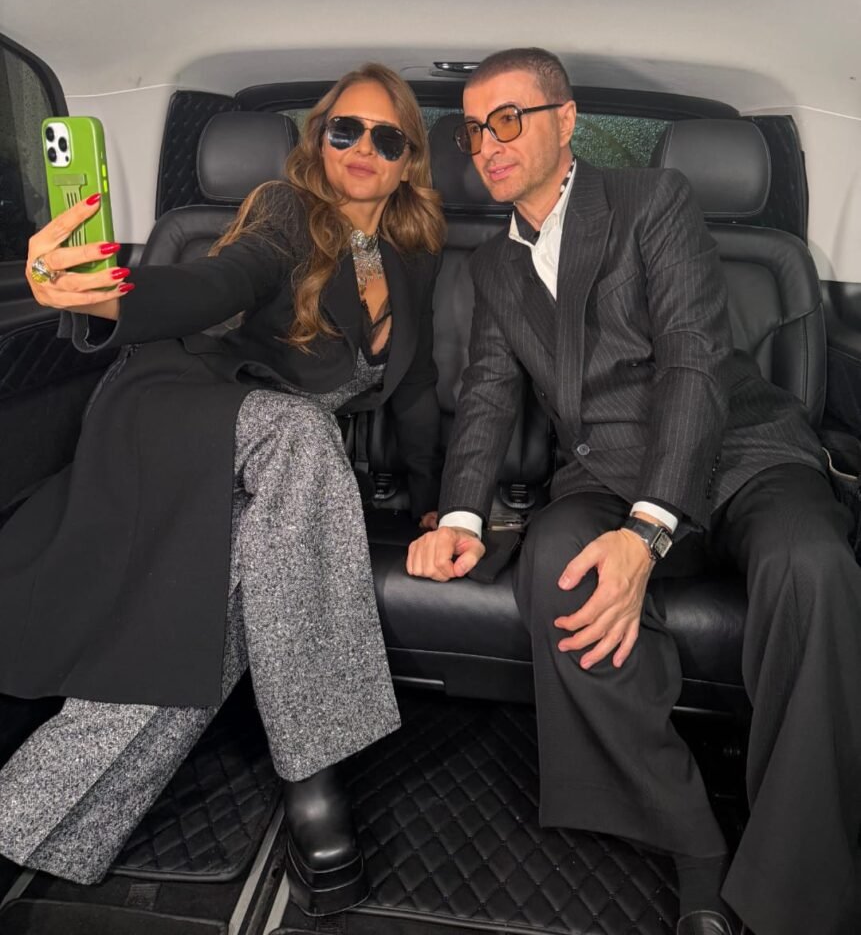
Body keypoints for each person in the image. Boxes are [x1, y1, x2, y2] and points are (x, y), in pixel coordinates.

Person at [407, 48, 861, 935]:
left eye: (509, 119)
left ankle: (799, 883)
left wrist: (647, 534)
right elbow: (489, 391)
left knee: (811, 565)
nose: (487, 144)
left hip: (742, 450)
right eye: (473, 129)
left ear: (565, 120)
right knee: (555, 561)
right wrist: (460, 515)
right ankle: (690, 842)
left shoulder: (651, 201)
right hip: (603, 470)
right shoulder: (493, 266)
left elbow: (692, 358)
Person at [0, 63, 444, 914]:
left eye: (386, 137)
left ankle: (24, 824)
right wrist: (109, 295)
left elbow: (415, 390)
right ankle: (315, 778)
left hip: (273, 464)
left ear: (407, 162)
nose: (362, 147)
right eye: (343, 129)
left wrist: (434, 499)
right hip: (189, 409)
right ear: (318, 140)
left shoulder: (411, 259)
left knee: (212, 607)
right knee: (302, 432)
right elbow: (219, 281)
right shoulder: (285, 210)